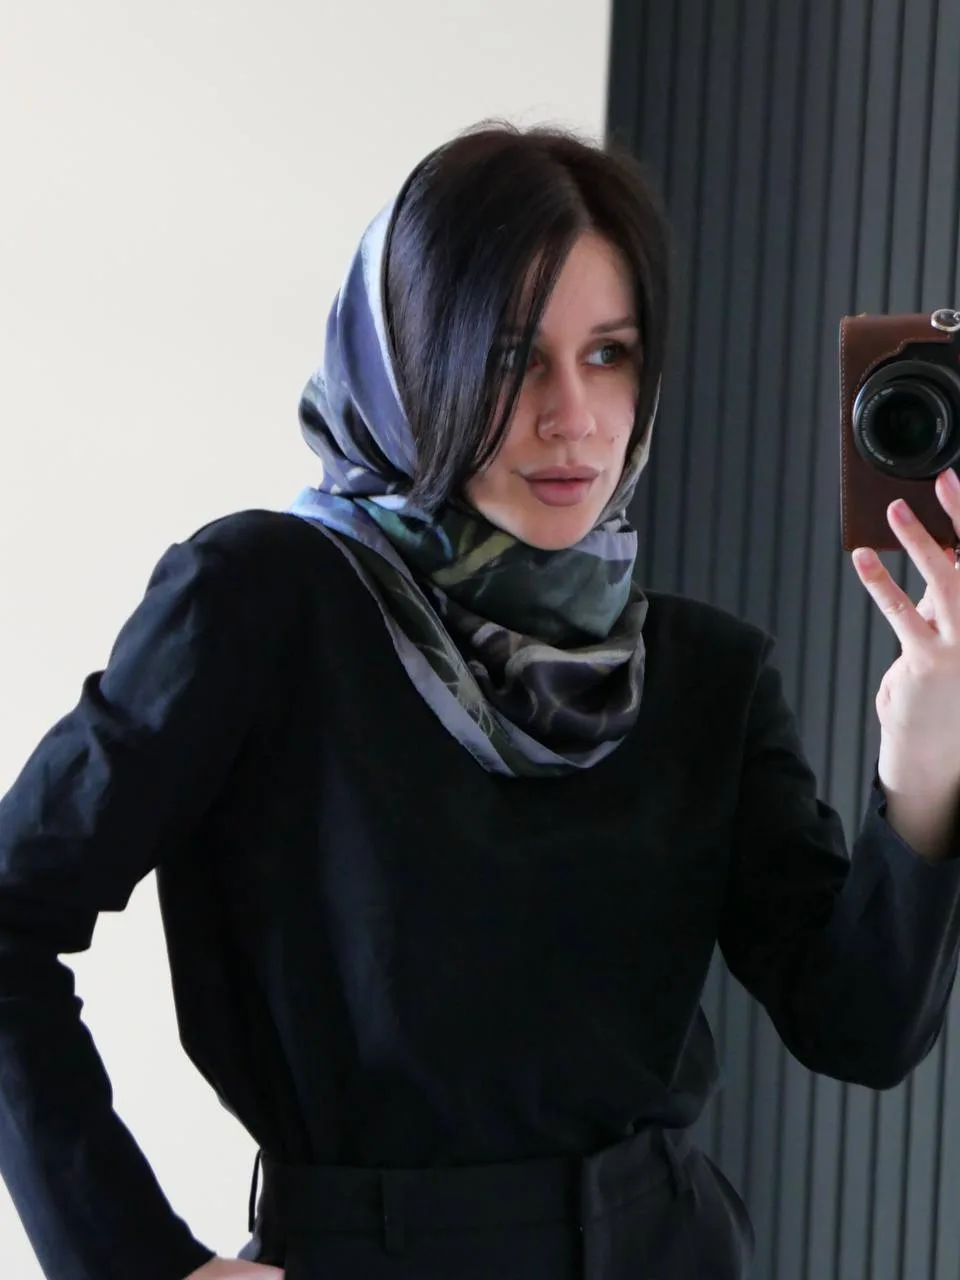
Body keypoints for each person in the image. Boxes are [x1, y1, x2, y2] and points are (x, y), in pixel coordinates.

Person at [2, 120, 960, 1280]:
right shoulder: (261, 601)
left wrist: (925, 758)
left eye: (609, 353)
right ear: (409, 364)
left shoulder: (706, 674)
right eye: (513, 358)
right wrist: (138, 1260)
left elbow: (859, 1027)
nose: (575, 416)